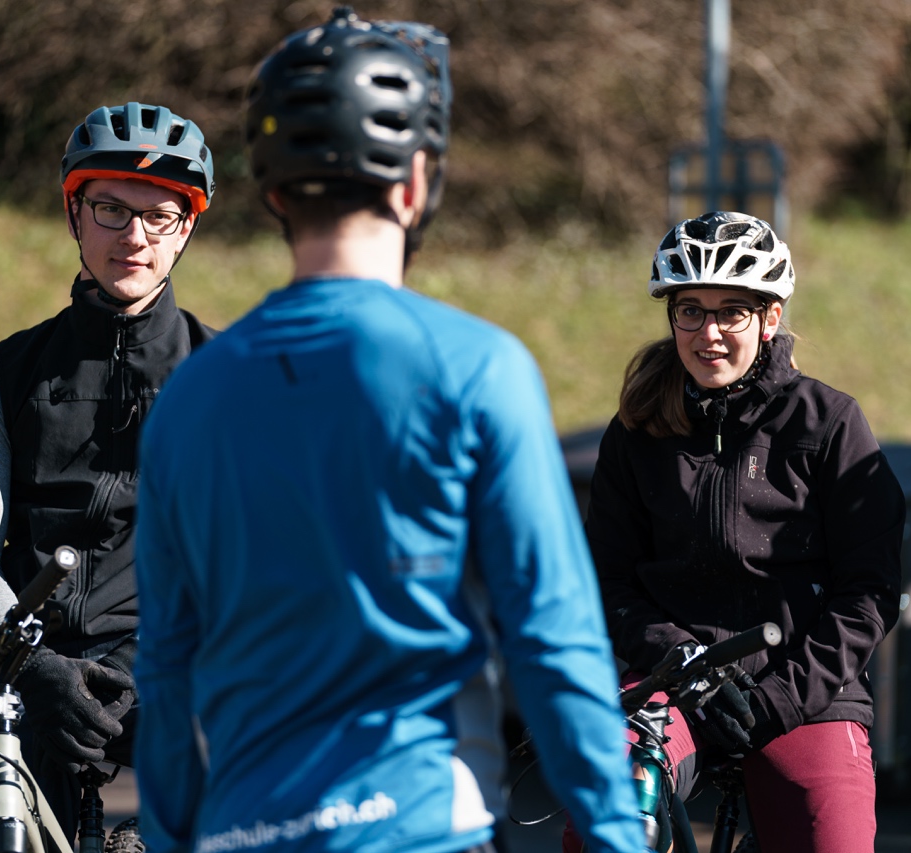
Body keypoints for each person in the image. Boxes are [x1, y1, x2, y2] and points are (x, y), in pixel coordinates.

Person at [132, 8, 644, 853]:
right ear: (414, 184)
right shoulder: (476, 367)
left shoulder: (189, 399)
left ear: (272, 195)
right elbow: (552, 637)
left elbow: (167, 668)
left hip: (239, 830)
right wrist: (617, 836)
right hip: (418, 823)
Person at [576, 211, 906, 853]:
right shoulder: (636, 429)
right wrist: (687, 666)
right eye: (690, 311)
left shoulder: (830, 422)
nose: (710, 333)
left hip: (804, 689)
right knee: (608, 825)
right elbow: (607, 581)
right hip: (669, 680)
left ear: (770, 317)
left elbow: (868, 593)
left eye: (732, 312)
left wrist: (778, 699)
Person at [0, 101, 217, 849]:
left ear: (185, 228)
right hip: (28, 671)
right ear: (74, 214)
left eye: (159, 216)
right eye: (110, 209)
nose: (134, 236)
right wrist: (31, 667)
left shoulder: (228, 379)